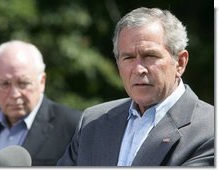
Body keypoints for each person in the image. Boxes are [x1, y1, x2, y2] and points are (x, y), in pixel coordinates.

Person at [57, 7, 214, 166]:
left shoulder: (211, 128)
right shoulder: (92, 122)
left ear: (180, 63)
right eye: (128, 57)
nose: (139, 69)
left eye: (150, 56)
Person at [0, 40, 82, 166]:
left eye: (23, 83)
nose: (14, 94)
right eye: (5, 84)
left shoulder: (76, 128)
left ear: (42, 82)